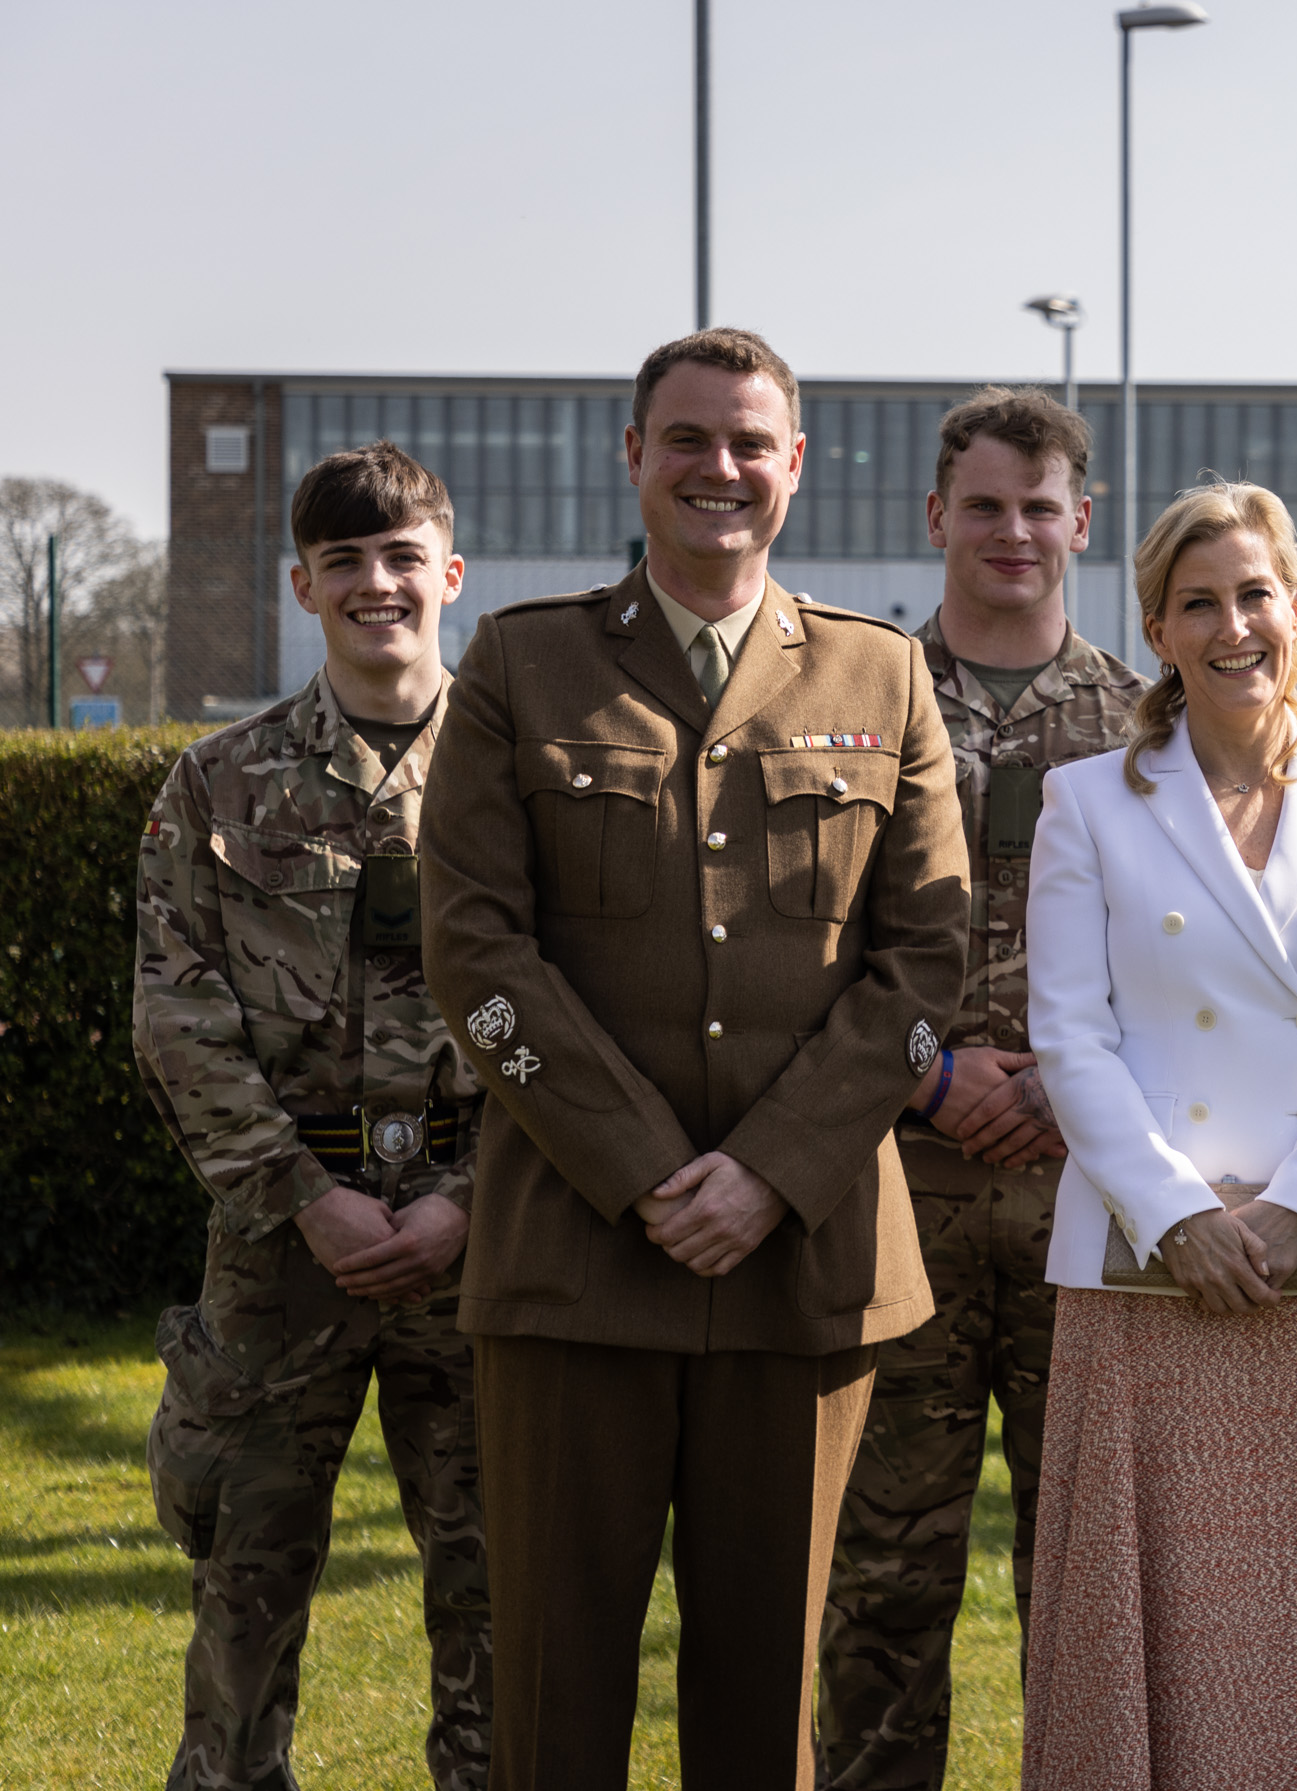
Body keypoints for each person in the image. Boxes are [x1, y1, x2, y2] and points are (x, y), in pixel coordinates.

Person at [419, 327, 969, 1791]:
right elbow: (475, 952)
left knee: (764, 1705)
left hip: (805, 1267)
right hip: (575, 1264)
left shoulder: (883, 672)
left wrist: (772, 1175)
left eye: (749, 443)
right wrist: (655, 1171)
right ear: (636, 458)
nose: (717, 468)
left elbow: (924, 966)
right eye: (687, 439)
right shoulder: (524, 664)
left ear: (792, 467)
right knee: (553, 1698)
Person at [1019, 481, 1297, 1790]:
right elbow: (1070, 1034)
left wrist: (1291, 1209)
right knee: (1155, 1632)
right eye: (1198, 602)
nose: (1232, 625)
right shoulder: (1089, 801)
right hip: (1147, 1270)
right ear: (1155, 627)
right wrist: (1183, 1214)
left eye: (1255, 594)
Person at [135, 441, 491, 1791]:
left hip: (477, 1242)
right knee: (244, 1570)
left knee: (495, 1573)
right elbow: (178, 1016)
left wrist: (471, 1196)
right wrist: (303, 1193)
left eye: (403, 557)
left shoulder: (522, 784)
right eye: (345, 560)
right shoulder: (218, 785)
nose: (376, 584)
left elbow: (570, 1020)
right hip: (284, 1245)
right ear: (302, 585)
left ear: (450, 574)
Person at [816, 387, 1145, 1786]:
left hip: (1088, 1206)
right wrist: (927, 1074)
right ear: (935, 517)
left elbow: (1196, 968)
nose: (1015, 532)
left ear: (1084, 519)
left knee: (1087, 1597)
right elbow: (792, 944)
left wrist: (1071, 1089)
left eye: (1040, 505)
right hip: (895, 1193)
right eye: (986, 506)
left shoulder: (1148, 723)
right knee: (882, 1585)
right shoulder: (844, 711)